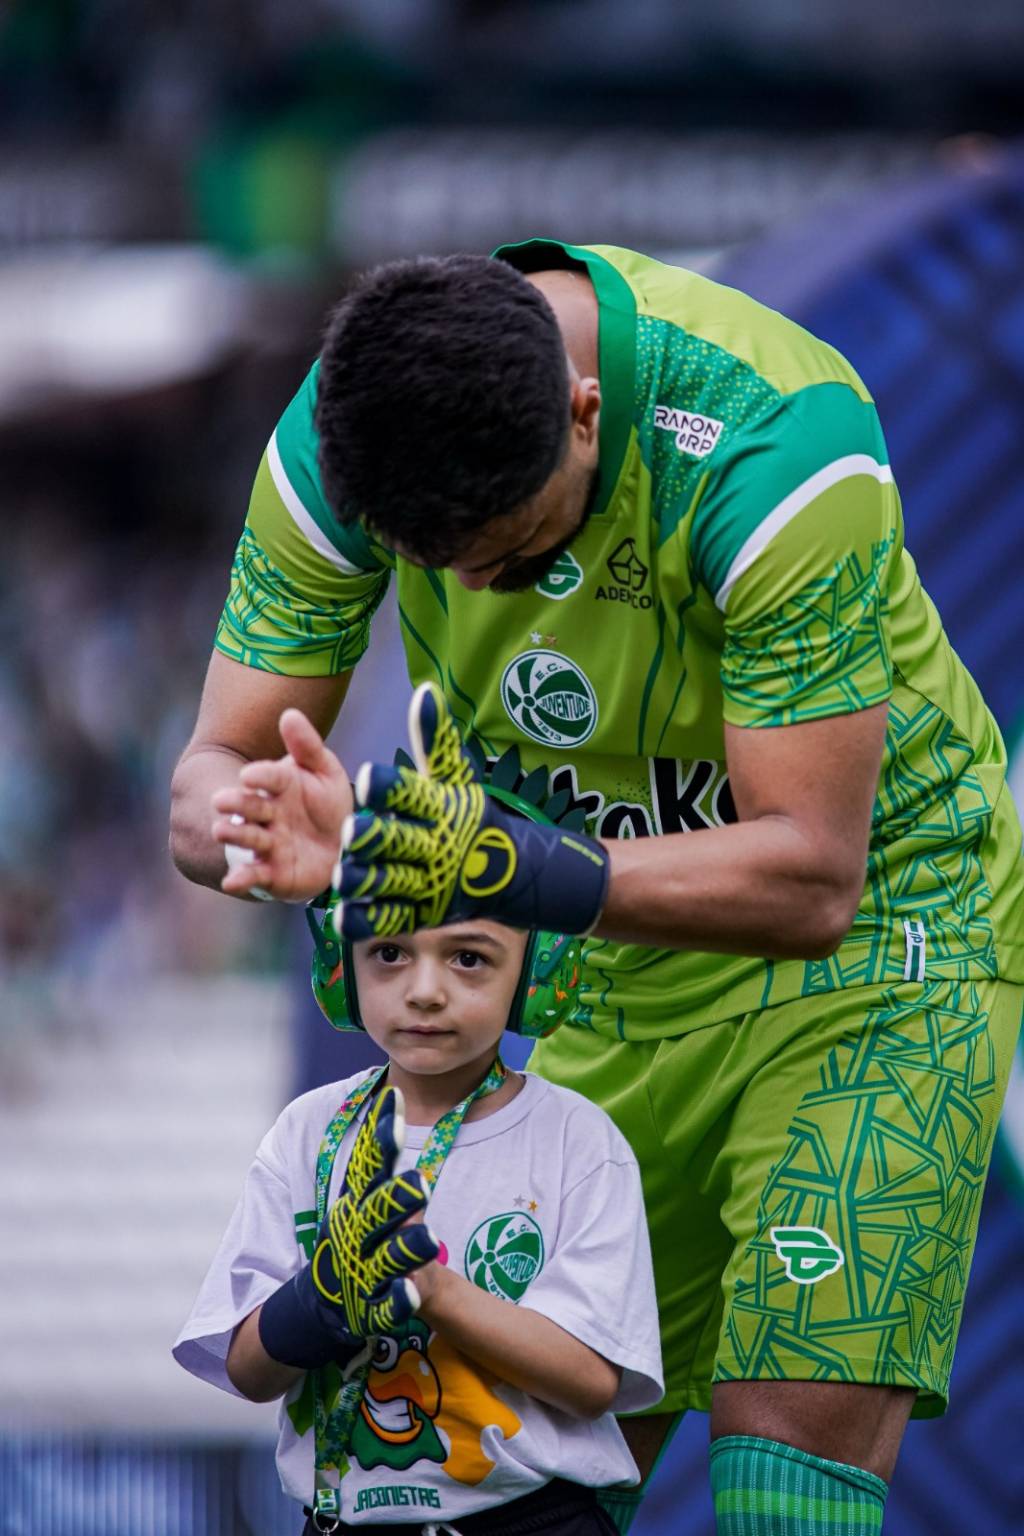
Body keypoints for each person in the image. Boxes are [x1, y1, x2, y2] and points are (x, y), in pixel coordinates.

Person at [170, 241, 1024, 1535]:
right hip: (603, 953)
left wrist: (500, 868)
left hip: (880, 945)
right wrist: (256, 822)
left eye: (508, 558)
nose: (474, 596)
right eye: (432, 564)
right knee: (500, 1477)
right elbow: (212, 770)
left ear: (584, 411)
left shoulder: (777, 450)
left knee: (785, 1456)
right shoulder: (343, 439)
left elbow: (811, 877)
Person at [173, 856, 664, 1535]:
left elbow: (591, 1378)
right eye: (390, 953)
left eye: (467, 957)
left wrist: (434, 1292)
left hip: (532, 1520)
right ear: (339, 965)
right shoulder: (306, 1132)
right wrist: (320, 1297)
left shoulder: (578, 1141)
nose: (425, 990)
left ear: (537, 971)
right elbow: (248, 1372)